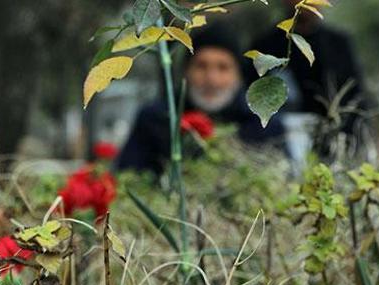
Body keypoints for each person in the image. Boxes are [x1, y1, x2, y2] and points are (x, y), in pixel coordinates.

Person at [117, 23, 284, 174]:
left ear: (238, 76)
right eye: (201, 66)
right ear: (186, 71)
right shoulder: (156, 120)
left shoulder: (262, 125)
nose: (211, 79)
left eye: (223, 68)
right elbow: (129, 177)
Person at [249, 0, 366, 146]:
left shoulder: (339, 44)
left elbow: (356, 98)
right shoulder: (265, 46)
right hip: (279, 142)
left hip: (333, 141)